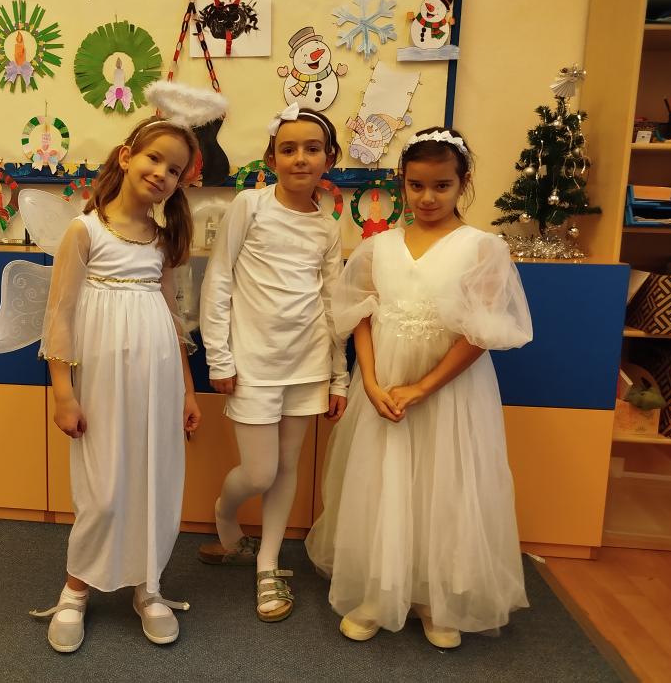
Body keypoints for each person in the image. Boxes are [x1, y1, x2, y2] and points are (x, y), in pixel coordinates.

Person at [305, 127, 533, 649]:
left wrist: (423, 388)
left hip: (449, 393)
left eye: (442, 186)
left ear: (463, 183)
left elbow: (479, 334)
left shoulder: (483, 249)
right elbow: (360, 315)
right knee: (381, 483)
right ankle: (378, 591)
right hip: (384, 388)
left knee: (443, 487)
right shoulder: (378, 246)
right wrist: (370, 380)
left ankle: (436, 597)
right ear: (401, 183)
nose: (427, 198)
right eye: (416, 185)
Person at [29, 116, 202, 652]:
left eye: (175, 170)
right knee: (103, 491)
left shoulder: (163, 240)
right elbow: (59, 317)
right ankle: (75, 590)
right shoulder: (86, 231)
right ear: (126, 157)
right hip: (102, 381)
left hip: (159, 380)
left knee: (155, 480)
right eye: (154, 158)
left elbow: (173, 317)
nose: (162, 173)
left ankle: (148, 585)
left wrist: (188, 390)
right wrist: (63, 392)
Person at [198, 104, 348, 622]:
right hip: (253, 365)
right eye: (289, 149)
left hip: (308, 365)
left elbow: (333, 303)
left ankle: (267, 562)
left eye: (312, 149)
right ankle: (225, 515)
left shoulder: (328, 227)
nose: (300, 158)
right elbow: (218, 279)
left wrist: (339, 377)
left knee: (286, 468)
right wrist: (219, 356)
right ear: (271, 158)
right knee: (259, 471)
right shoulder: (250, 206)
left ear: (329, 158)